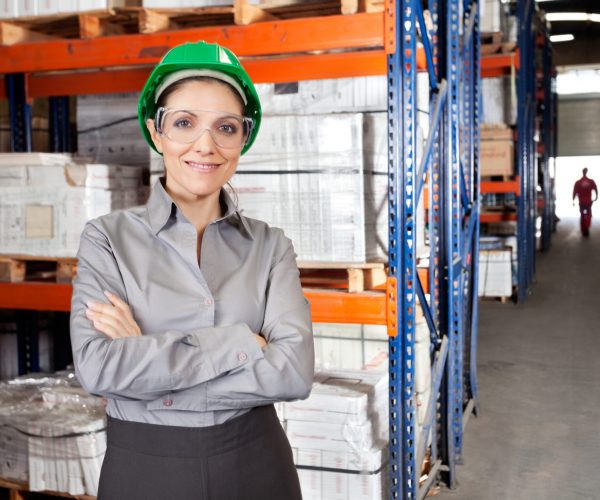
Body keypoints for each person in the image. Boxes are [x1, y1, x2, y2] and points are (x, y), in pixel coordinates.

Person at [70, 41, 314, 500]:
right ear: (155, 131)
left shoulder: (270, 246)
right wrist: (245, 343)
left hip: (257, 463)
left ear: (244, 137)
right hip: (143, 468)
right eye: (184, 123)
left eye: (225, 127)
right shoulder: (106, 239)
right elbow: (99, 369)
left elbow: (293, 374)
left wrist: (143, 360)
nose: (206, 145)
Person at [572, 167, 598, 236]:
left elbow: (574, 192)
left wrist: (573, 200)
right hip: (588, 202)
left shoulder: (578, 182)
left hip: (582, 202)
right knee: (588, 215)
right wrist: (596, 197)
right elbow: (596, 189)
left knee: (583, 215)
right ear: (586, 172)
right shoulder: (590, 181)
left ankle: (584, 228)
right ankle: (586, 227)